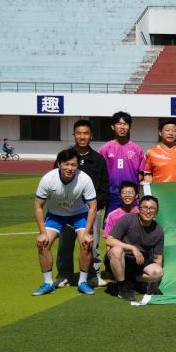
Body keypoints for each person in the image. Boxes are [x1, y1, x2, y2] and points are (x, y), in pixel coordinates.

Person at [32, 148, 98, 296]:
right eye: (66, 164)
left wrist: (87, 233)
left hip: (79, 215)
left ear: (78, 166)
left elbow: (93, 207)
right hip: (56, 216)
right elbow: (38, 206)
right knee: (43, 243)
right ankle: (48, 283)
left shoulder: (84, 179)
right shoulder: (48, 179)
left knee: (86, 243)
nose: (70, 168)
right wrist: (42, 233)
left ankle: (82, 282)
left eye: (73, 165)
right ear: (59, 164)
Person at [57, 119, 109, 289]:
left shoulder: (98, 159)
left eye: (86, 133)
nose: (82, 136)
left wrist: (95, 206)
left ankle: (93, 274)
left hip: (90, 211)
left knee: (91, 244)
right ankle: (64, 275)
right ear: (74, 135)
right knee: (65, 244)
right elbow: (56, 180)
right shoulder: (65, 156)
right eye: (79, 133)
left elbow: (104, 188)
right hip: (67, 209)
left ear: (91, 136)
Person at [106, 195, 164, 302]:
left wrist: (154, 286)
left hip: (138, 262)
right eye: (145, 207)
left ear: (156, 212)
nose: (148, 211)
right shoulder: (128, 219)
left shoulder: (159, 231)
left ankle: (132, 281)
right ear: (139, 209)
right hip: (119, 258)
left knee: (158, 272)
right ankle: (123, 287)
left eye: (152, 208)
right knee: (117, 250)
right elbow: (110, 240)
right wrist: (132, 248)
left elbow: (158, 258)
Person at [99, 111, 144, 215]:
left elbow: (141, 174)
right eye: (119, 124)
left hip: (132, 196)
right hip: (112, 195)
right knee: (112, 223)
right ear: (113, 126)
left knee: (133, 223)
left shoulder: (137, 149)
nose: (122, 127)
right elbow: (101, 173)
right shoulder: (105, 149)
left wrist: (131, 188)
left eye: (125, 124)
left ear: (129, 127)